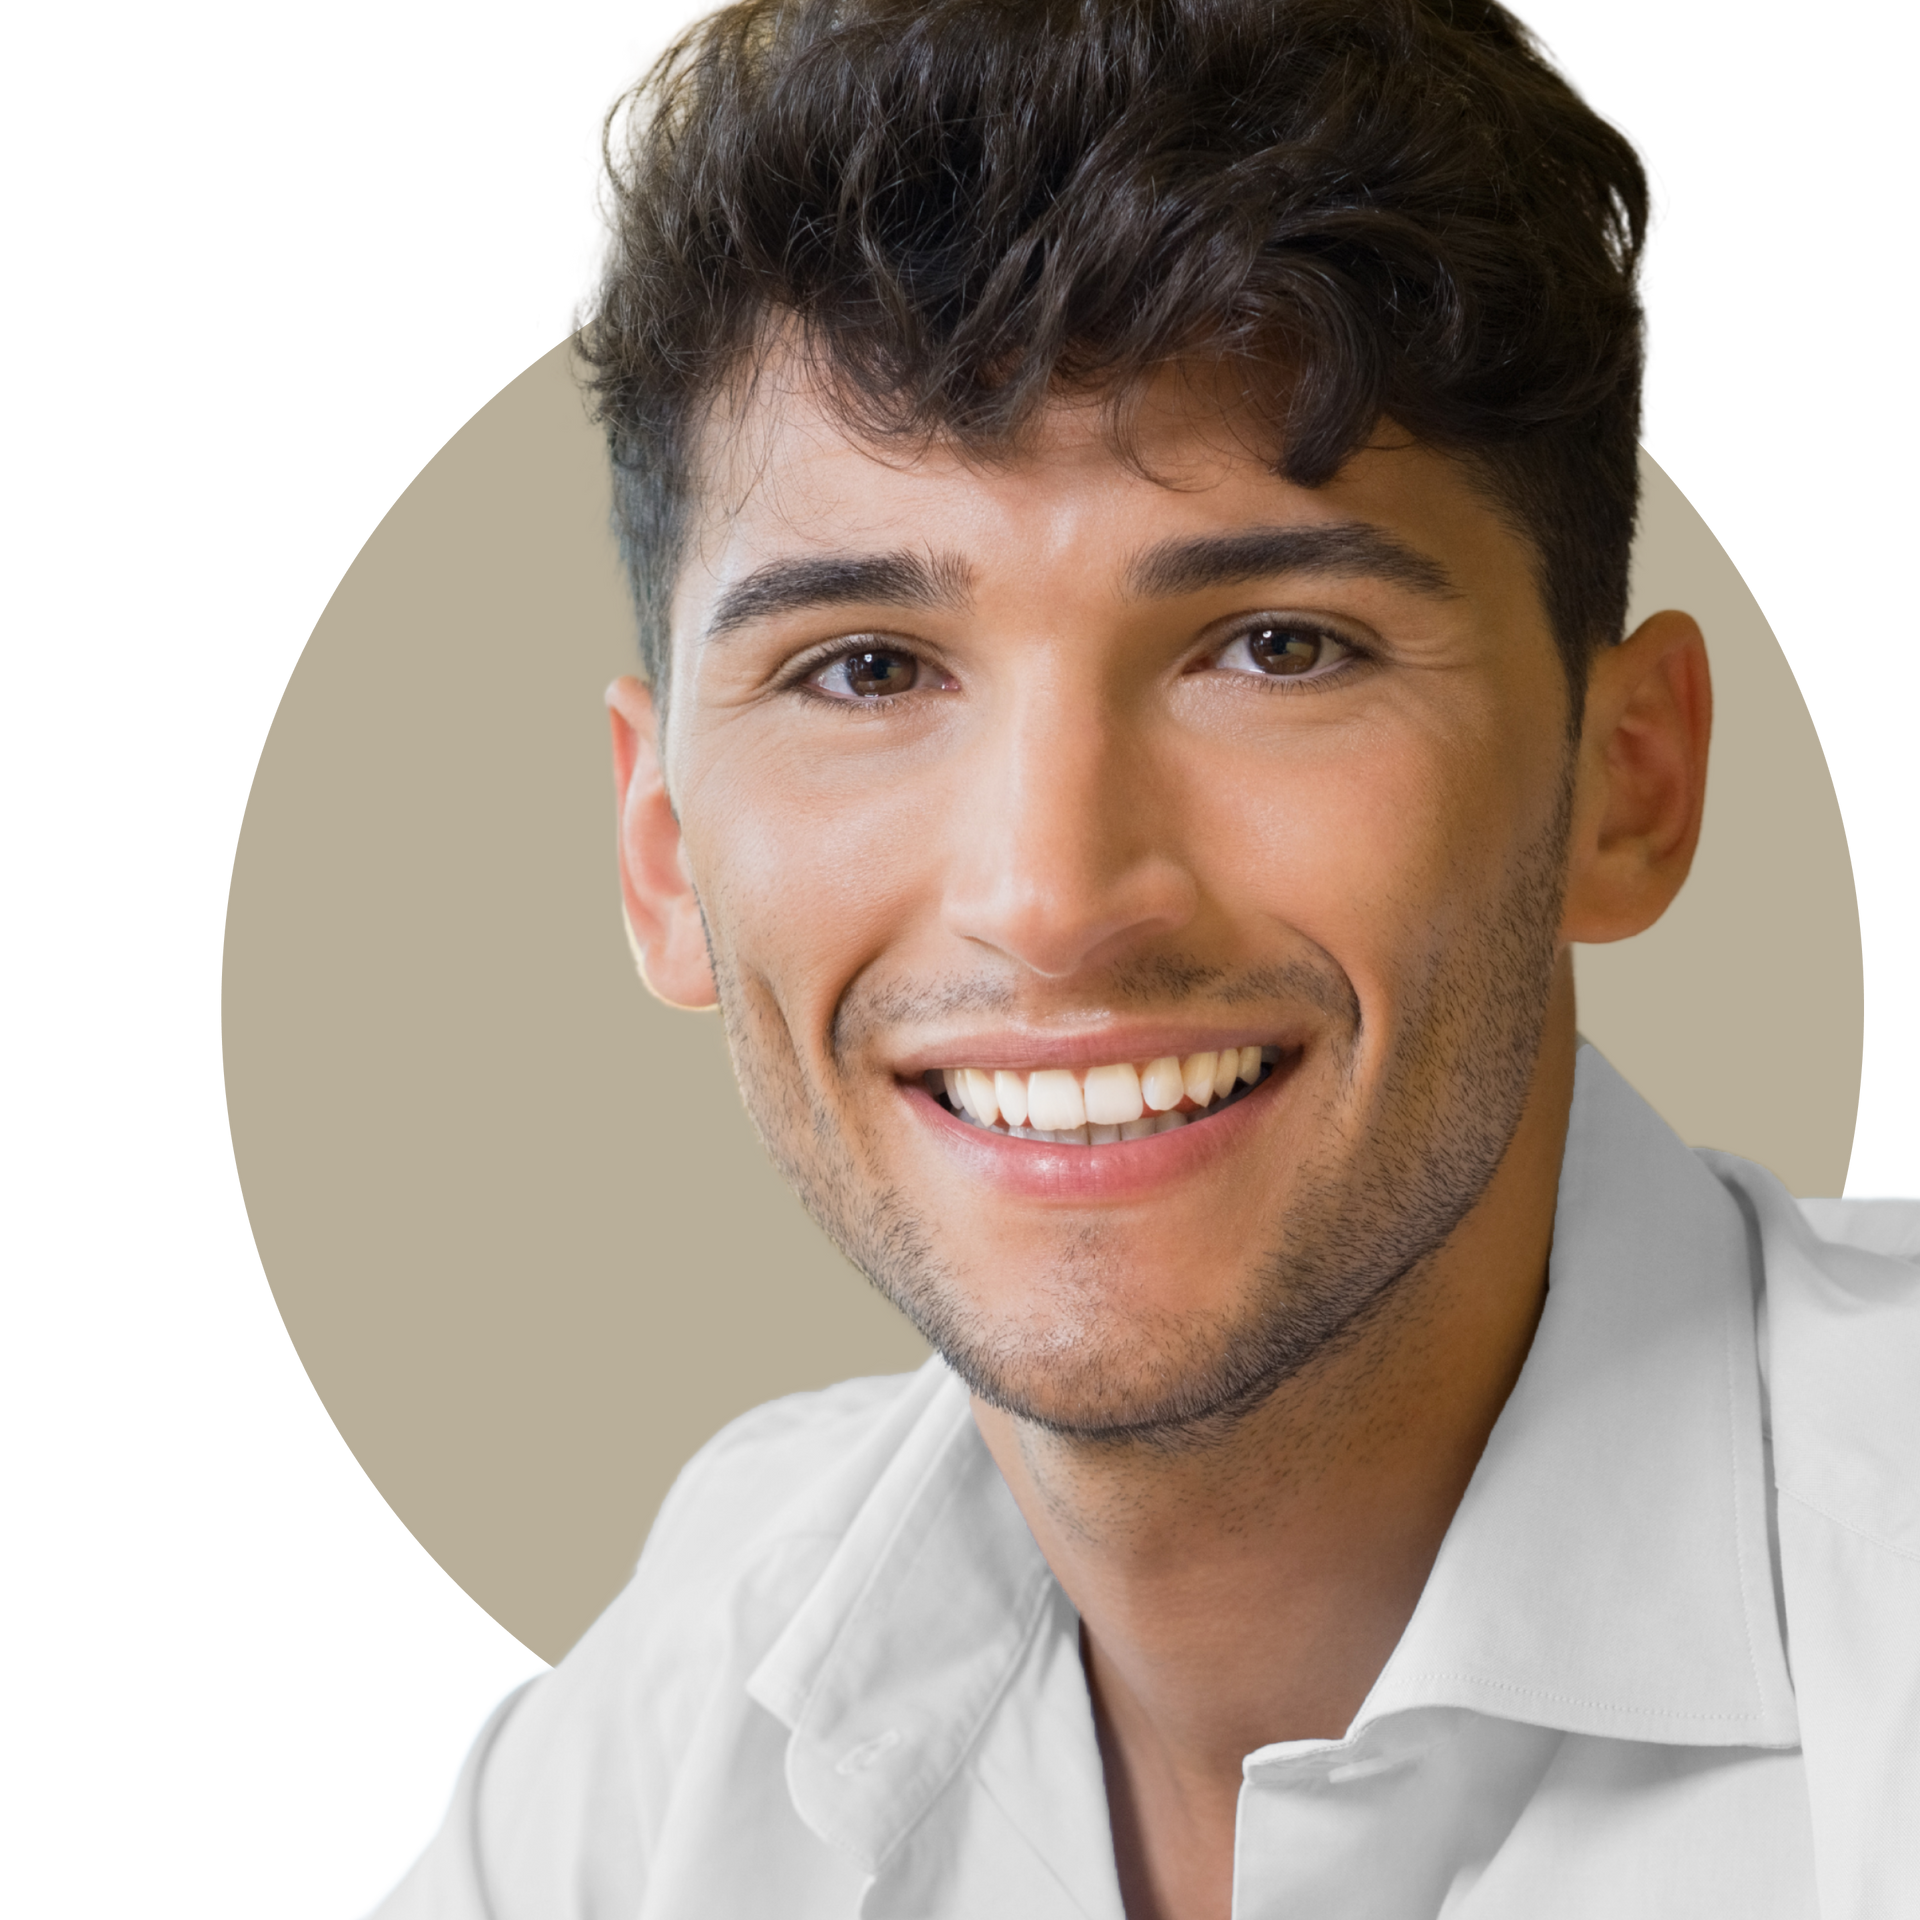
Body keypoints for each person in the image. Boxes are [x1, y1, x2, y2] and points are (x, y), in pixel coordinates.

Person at [361, 1, 1916, 1913]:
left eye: (1277, 647)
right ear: (663, 852)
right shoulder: (682, 1713)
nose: (1053, 891)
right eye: (864, 668)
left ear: (1630, 781)